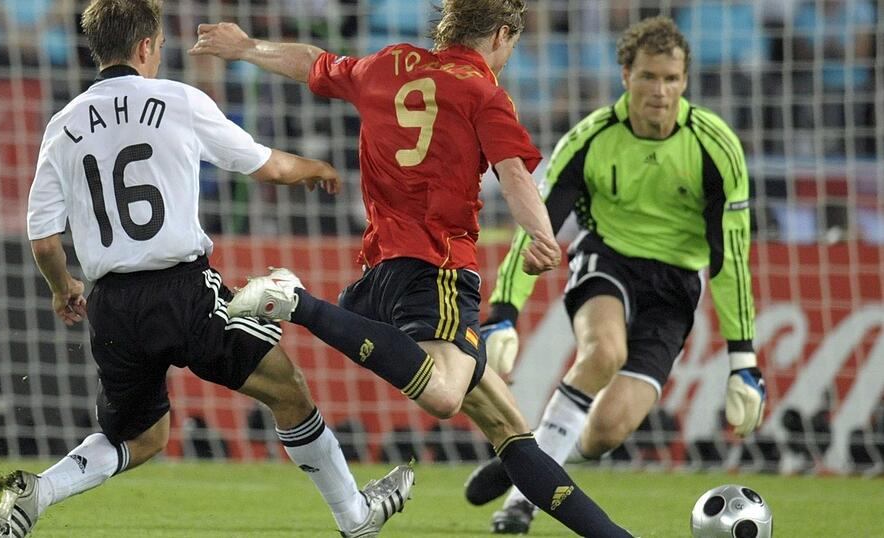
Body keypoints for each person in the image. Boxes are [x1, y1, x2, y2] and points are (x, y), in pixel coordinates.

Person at [189, 1, 632, 536]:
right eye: (512, 44)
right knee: (445, 395)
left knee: (510, 429)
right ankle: (296, 300)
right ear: (500, 33)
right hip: (438, 270)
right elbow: (513, 174)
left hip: (381, 275)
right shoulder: (484, 91)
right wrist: (541, 234)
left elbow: (314, 62)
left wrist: (245, 48)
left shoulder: (387, 64)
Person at [0, 1, 414, 537]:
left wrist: (62, 287)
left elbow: (43, 239)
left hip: (112, 306)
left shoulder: (63, 125)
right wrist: (316, 168)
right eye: (161, 46)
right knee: (288, 388)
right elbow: (266, 164)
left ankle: (36, 494)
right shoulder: (178, 100)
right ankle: (356, 518)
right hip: (183, 292)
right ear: (145, 47)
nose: (161, 55)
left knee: (142, 437)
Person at [462, 16, 767, 534]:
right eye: (649, 76)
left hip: (674, 288)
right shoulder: (590, 139)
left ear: (686, 80)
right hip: (607, 261)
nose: (660, 91)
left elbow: (729, 259)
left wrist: (744, 360)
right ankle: (522, 499)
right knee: (604, 352)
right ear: (625, 74)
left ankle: (536, 456)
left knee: (607, 430)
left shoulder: (716, 148)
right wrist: (503, 313)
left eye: (671, 79)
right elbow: (537, 227)